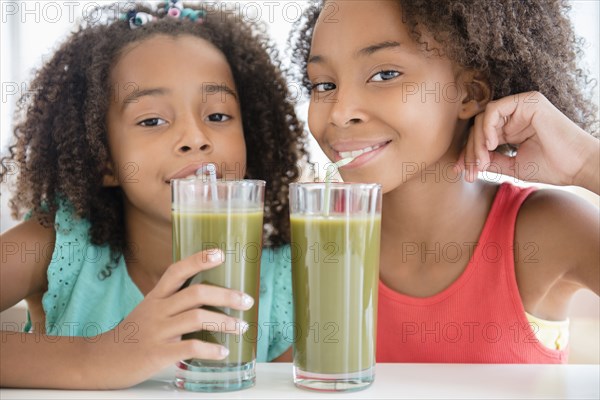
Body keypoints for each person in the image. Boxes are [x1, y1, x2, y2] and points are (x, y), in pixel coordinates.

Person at [0, 1, 306, 389]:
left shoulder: (285, 277)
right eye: (152, 120)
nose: (195, 139)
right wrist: (95, 358)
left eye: (217, 116)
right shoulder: (59, 244)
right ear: (103, 159)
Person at [291, 0, 599, 363]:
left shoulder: (547, 231)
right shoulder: (311, 238)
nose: (341, 113)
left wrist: (585, 162)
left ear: (469, 94)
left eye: (385, 74)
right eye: (324, 84)